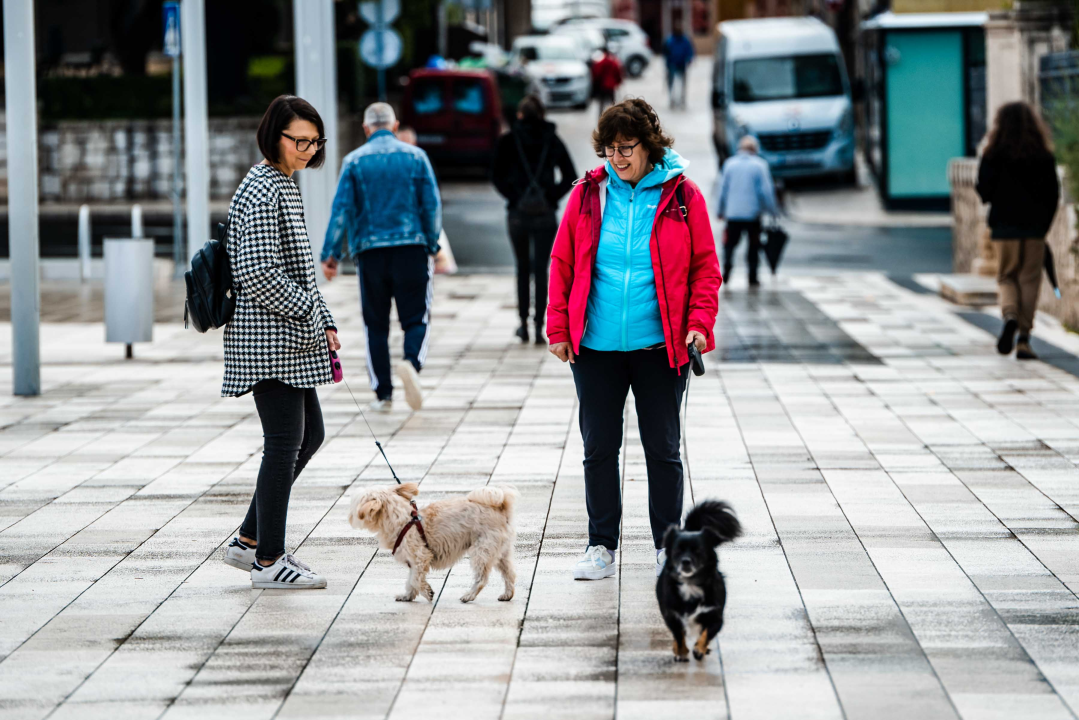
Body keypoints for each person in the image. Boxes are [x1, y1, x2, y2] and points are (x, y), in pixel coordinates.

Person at [546, 98, 721, 581]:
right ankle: (600, 545)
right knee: (598, 449)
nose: (617, 158)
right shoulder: (588, 195)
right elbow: (562, 264)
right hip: (596, 348)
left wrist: (699, 324)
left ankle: (669, 545)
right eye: (609, 149)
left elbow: (706, 268)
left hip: (659, 348)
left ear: (649, 145)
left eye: (626, 148)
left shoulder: (682, 196)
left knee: (662, 450)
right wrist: (558, 327)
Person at [220, 95, 337, 590]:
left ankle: (248, 541)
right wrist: (311, 311)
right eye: (300, 141)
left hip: (289, 339)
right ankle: (269, 560)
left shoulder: (282, 182)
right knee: (285, 443)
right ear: (276, 136)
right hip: (267, 340)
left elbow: (299, 271)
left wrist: (323, 317)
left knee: (307, 437)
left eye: (315, 142)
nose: (308, 150)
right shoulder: (264, 188)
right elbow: (257, 271)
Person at [321, 103, 442, 412]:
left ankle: (383, 394)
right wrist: (431, 243)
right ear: (395, 124)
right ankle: (411, 363)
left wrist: (330, 254)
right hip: (412, 249)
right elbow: (431, 206)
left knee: (375, 325)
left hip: (371, 254)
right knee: (417, 318)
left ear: (366, 128)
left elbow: (341, 211)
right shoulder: (416, 157)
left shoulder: (353, 162)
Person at [977, 101, 1060, 361]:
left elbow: (984, 190)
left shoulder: (993, 153)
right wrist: (1043, 226)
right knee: (1029, 280)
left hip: (1004, 227)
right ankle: (1024, 339)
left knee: (1007, 277)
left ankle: (1010, 314)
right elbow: (1053, 194)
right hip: (1035, 228)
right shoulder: (1043, 155)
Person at [491, 95, 577, 344]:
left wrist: (514, 196)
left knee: (522, 268)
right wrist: (551, 198)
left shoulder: (508, 140)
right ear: (541, 115)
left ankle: (523, 324)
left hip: (517, 214)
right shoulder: (552, 139)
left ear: (519, 115)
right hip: (545, 215)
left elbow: (495, 174)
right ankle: (540, 325)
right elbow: (570, 175)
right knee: (542, 269)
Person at [716, 135, 778, 288]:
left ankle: (727, 271)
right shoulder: (760, 165)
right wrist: (772, 210)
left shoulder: (729, 164)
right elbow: (766, 191)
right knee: (753, 246)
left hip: (733, 214)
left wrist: (720, 210)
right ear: (754, 149)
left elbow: (722, 189)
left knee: (730, 245)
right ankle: (752, 276)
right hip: (753, 214)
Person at [662, 23, 695, 110]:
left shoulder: (685, 40)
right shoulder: (670, 40)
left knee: (683, 84)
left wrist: (689, 59)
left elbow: (689, 51)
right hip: (672, 64)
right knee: (671, 83)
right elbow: (666, 52)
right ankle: (672, 100)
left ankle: (682, 100)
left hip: (681, 64)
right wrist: (667, 63)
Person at [591, 45, 624, 118]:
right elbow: (618, 72)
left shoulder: (600, 62)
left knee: (601, 103)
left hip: (603, 86)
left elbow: (596, 73)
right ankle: (614, 117)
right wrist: (618, 82)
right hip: (611, 86)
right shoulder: (613, 62)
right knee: (612, 103)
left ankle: (601, 117)